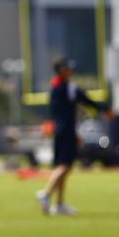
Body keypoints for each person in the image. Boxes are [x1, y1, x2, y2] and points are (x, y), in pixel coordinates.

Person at [35, 58, 111, 216]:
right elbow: (87, 101)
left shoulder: (54, 87)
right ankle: (46, 194)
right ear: (62, 70)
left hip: (61, 130)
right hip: (66, 130)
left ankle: (60, 204)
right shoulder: (68, 87)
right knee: (65, 166)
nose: (71, 71)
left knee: (64, 165)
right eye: (68, 69)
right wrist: (106, 109)